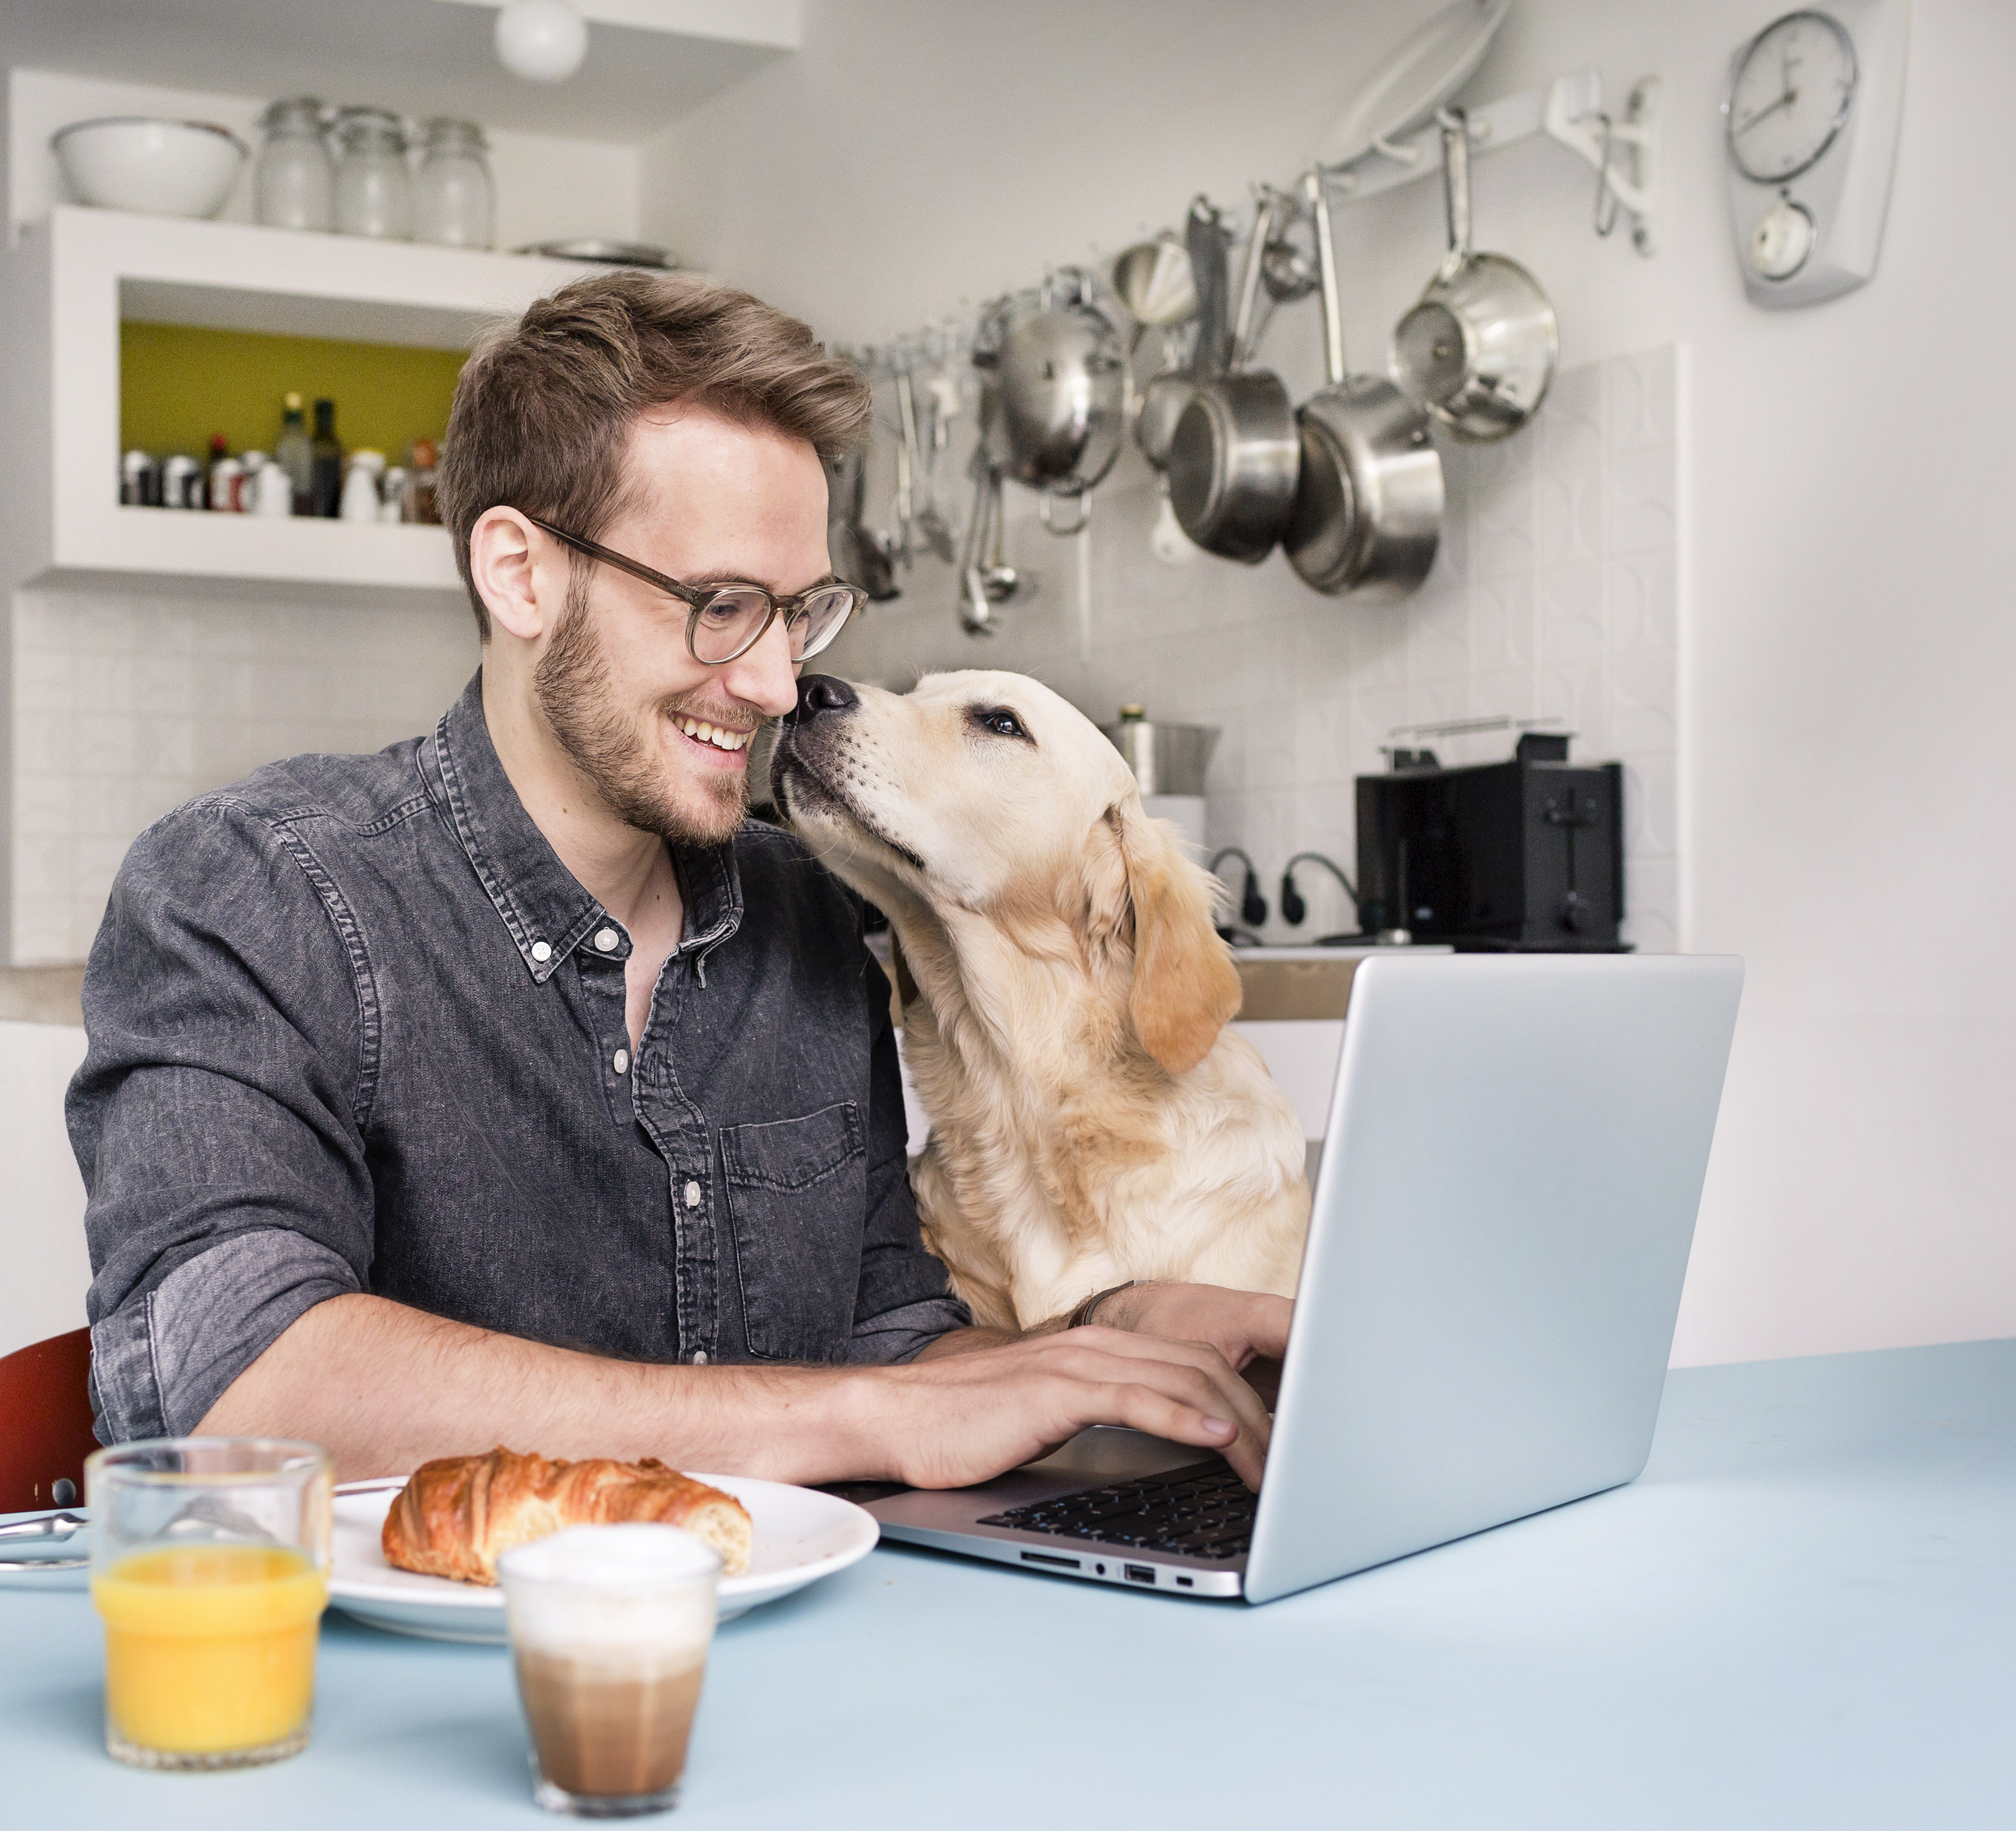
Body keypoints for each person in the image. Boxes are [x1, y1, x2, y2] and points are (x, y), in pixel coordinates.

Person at [66, 272, 1287, 1489]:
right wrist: (858, 1420)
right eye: (719, 606)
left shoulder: (810, 916)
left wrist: (1102, 1340)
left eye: (798, 613)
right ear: (522, 574)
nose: (771, 685)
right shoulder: (248, 892)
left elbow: (885, 1338)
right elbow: (239, 1384)